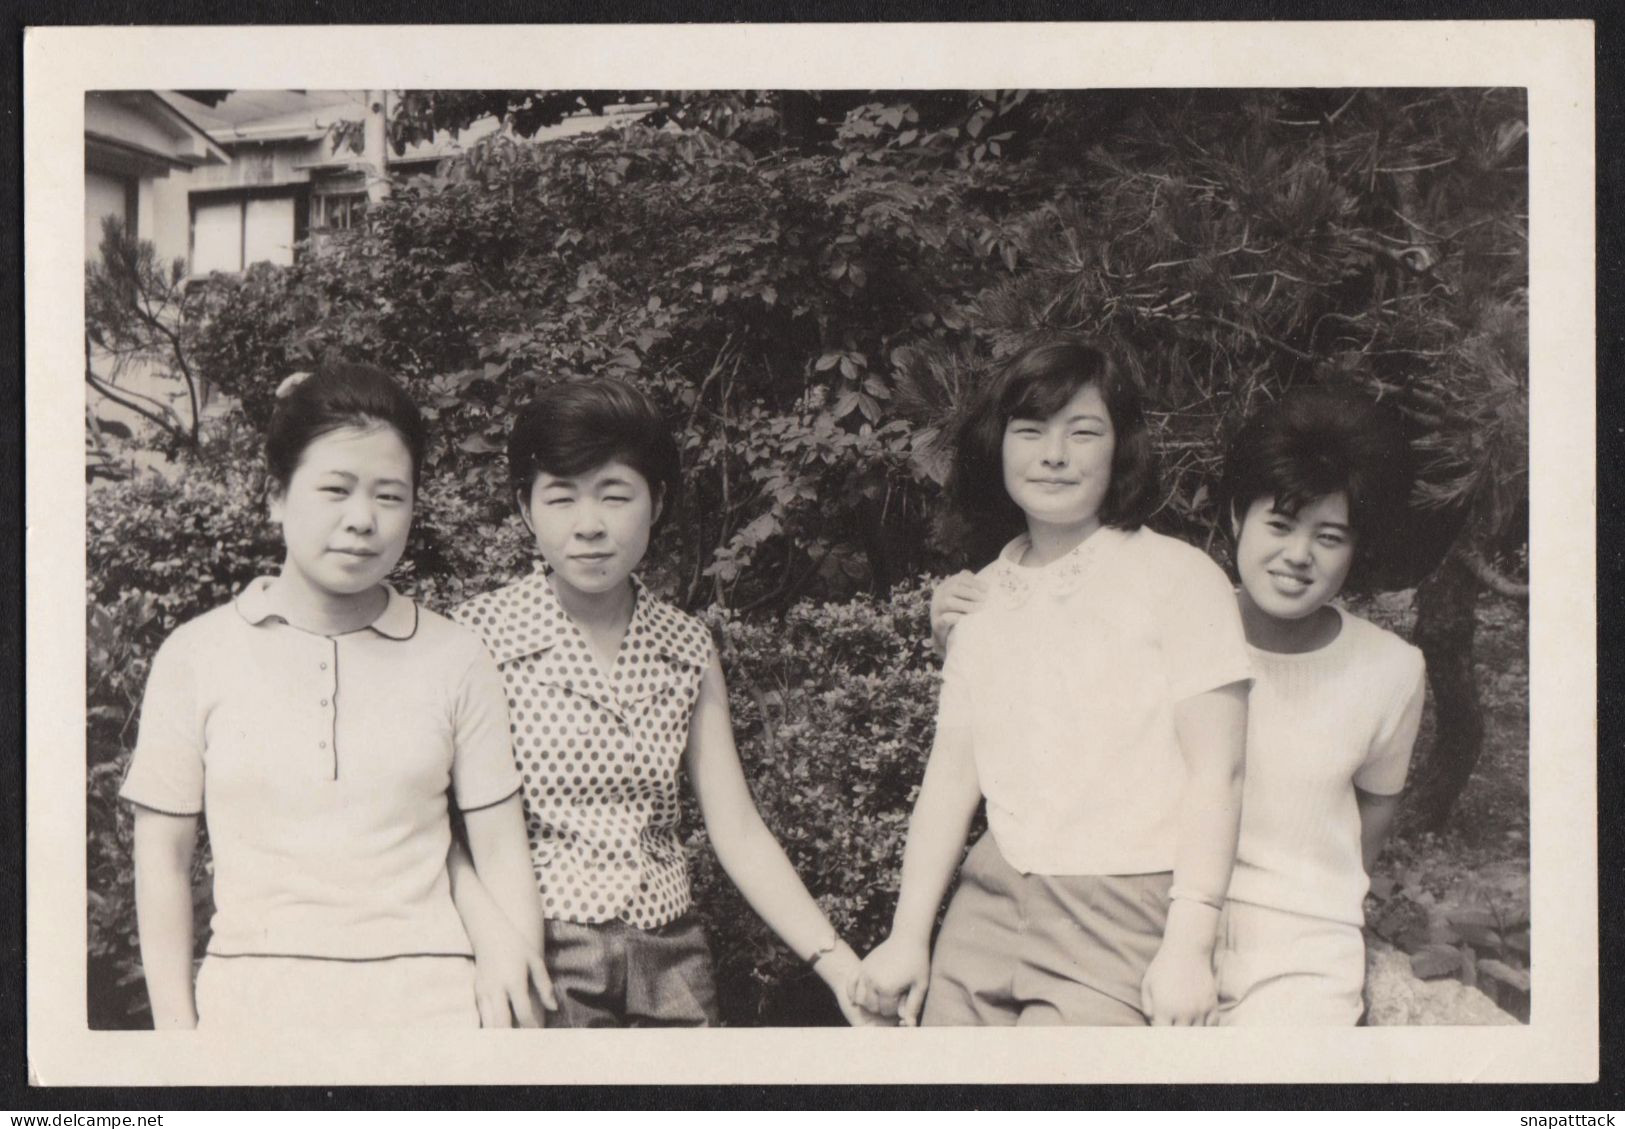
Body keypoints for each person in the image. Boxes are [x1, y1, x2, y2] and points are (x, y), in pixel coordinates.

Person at [447, 377, 885, 1027]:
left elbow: (735, 827)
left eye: (615, 495)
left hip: (671, 956)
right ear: (524, 508)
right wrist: (496, 943)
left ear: (656, 502)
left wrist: (839, 964)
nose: (588, 525)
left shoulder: (685, 645)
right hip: (538, 951)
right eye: (560, 498)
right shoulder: (478, 636)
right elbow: (437, 825)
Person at [122, 362, 545, 1030]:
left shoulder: (456, 656)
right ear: (276, 495)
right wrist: (177, 1039)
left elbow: (500, 850)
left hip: (435, 1009)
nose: (362, 519)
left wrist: (517, 1009)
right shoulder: (195, 654)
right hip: (251, 1009)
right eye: (335, 489)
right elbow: (163, 858)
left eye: (389, 495)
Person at [853, 337, 1252, 1026]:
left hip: (1120, 905)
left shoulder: (1180, 578)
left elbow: (1218, 773)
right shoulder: (978, 598)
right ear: (996, 445)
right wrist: (907, 936)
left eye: (1083, 431)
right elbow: (951, 779)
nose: (1054, 454)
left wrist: (1190, 944)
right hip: (988, 901)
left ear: (1120, 446)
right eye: (1029, 429)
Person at [1207, 387, 1425, 1024]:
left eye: (1329, 536)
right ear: (1235, 519)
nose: (1298, 556)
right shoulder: (1180, 623)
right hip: (1158, 920)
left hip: (1304, 949)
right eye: (1279, 524)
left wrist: (1324, 893)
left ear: (1356, 549)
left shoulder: (1391, 668)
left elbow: (1378, 801)